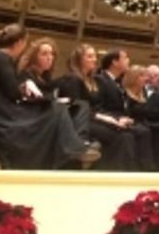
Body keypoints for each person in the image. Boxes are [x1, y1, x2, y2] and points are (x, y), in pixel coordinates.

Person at [0, 24, 96, 169]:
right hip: (1, 110)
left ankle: (74, 149)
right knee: (56, 109)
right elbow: (12, 92)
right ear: (19, 42)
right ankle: (74, 150)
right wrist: (26, 89)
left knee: (57, 108)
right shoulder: (2, 57)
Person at [55, 43, 137, 171]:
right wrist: (107, 119)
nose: (94, 59)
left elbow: (99, 107)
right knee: (119, 136)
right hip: (80, 122)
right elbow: (77, 109)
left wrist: (116, 119)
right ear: (79, 59)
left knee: (127, 133)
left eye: (94, 56)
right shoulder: (72, 79)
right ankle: (109, 172)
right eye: (89, 56)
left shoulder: (92, 80)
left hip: (95, 118)